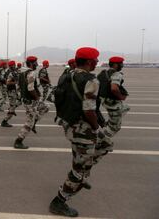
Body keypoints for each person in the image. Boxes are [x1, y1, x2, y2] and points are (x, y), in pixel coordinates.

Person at [49, 47, 103, 217]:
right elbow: (89, 110)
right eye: (95, 60)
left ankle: (80, 174)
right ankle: (60, 200)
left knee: (86, 156)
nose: (96, 63)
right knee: (81, 166)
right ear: (89, 62)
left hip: (71, 126)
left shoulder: (67, 75)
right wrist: (97, 128)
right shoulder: (91, 80)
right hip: (83, 130)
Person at [13, 56, 49, 149]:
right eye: (36, 63)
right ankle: (18, 141)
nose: (37, 64)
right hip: (31, 101)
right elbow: (31, 88)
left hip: (27, 99)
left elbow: (18, 86)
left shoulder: (22, 72)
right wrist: (37, 98)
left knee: (46, 107)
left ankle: (34, 122)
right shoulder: (31, 73)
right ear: (32, 64)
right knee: (29, 122)